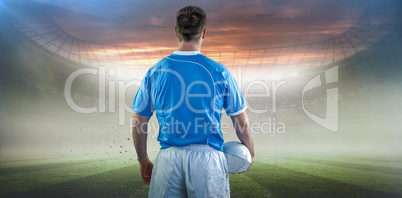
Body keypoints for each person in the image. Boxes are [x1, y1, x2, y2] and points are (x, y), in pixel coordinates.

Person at [131, 5, 254, 198]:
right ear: (204, 32)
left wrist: (143, 160)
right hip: (208, 161)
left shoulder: (155, 72)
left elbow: (139, 122)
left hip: (168, 160)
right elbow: (241, 121)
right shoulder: (219, 72)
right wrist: (250, 153)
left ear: (176, 31)